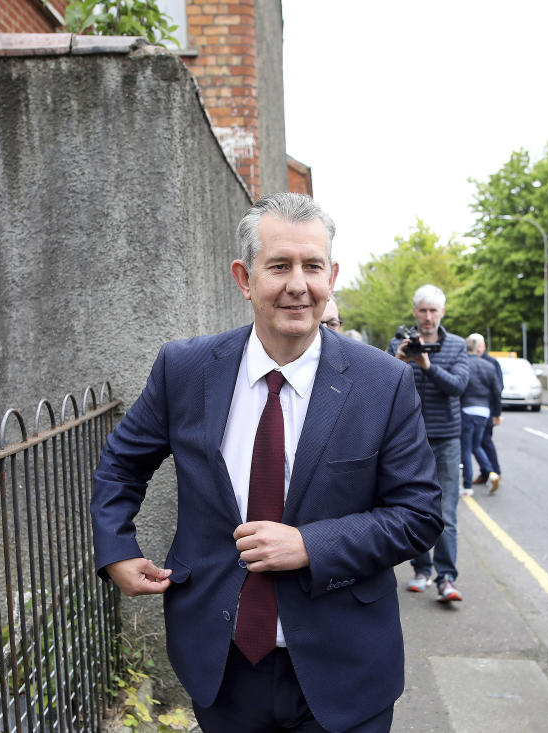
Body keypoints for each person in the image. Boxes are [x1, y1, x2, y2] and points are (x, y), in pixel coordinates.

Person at [91, 193, 443, 733]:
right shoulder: (184, 370)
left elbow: (419, 515)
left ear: (332, 277)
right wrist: (116, 547)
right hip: (221, 664)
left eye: (312, 266)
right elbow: (120, 463)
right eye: (279, 266)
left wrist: (310, 545)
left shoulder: (383, 383)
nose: (297, 284)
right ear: (244, 277)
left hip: (346, 669)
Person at [387, 284, 469, 602]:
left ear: (442, 313)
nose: (428, 316)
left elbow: (459, 386)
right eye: (422, 310)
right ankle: (422, 570)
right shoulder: (402, 343)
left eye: (433, 310)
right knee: (416, 508)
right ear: (414, 312)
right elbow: (385, 383)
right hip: (410, 440)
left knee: (446, 511)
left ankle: (446, 577)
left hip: (447, 439)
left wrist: (428, 367)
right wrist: (399, 356)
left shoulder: (457, 346)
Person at [459, 334, 501, 496]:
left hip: (467, 410)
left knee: (466, 448)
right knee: (477, 446)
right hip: (484, 411)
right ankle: (491, 473)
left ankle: (468, 486)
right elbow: (497, 391)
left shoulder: (464, 365)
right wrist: (496, 413)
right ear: (478, 348)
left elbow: (459, 389)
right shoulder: (489, 366)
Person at [473, 337, 503, 491]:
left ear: (484, 346)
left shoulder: (492, 362)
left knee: (484, 442)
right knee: (479, 443)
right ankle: (486, 473)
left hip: (488, 411)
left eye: (480, 346)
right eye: (475, 346)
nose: (478, 349)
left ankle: (494, 472)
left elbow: (498, 389)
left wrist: (497, 413)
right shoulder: (470, 360)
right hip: (481, 411)